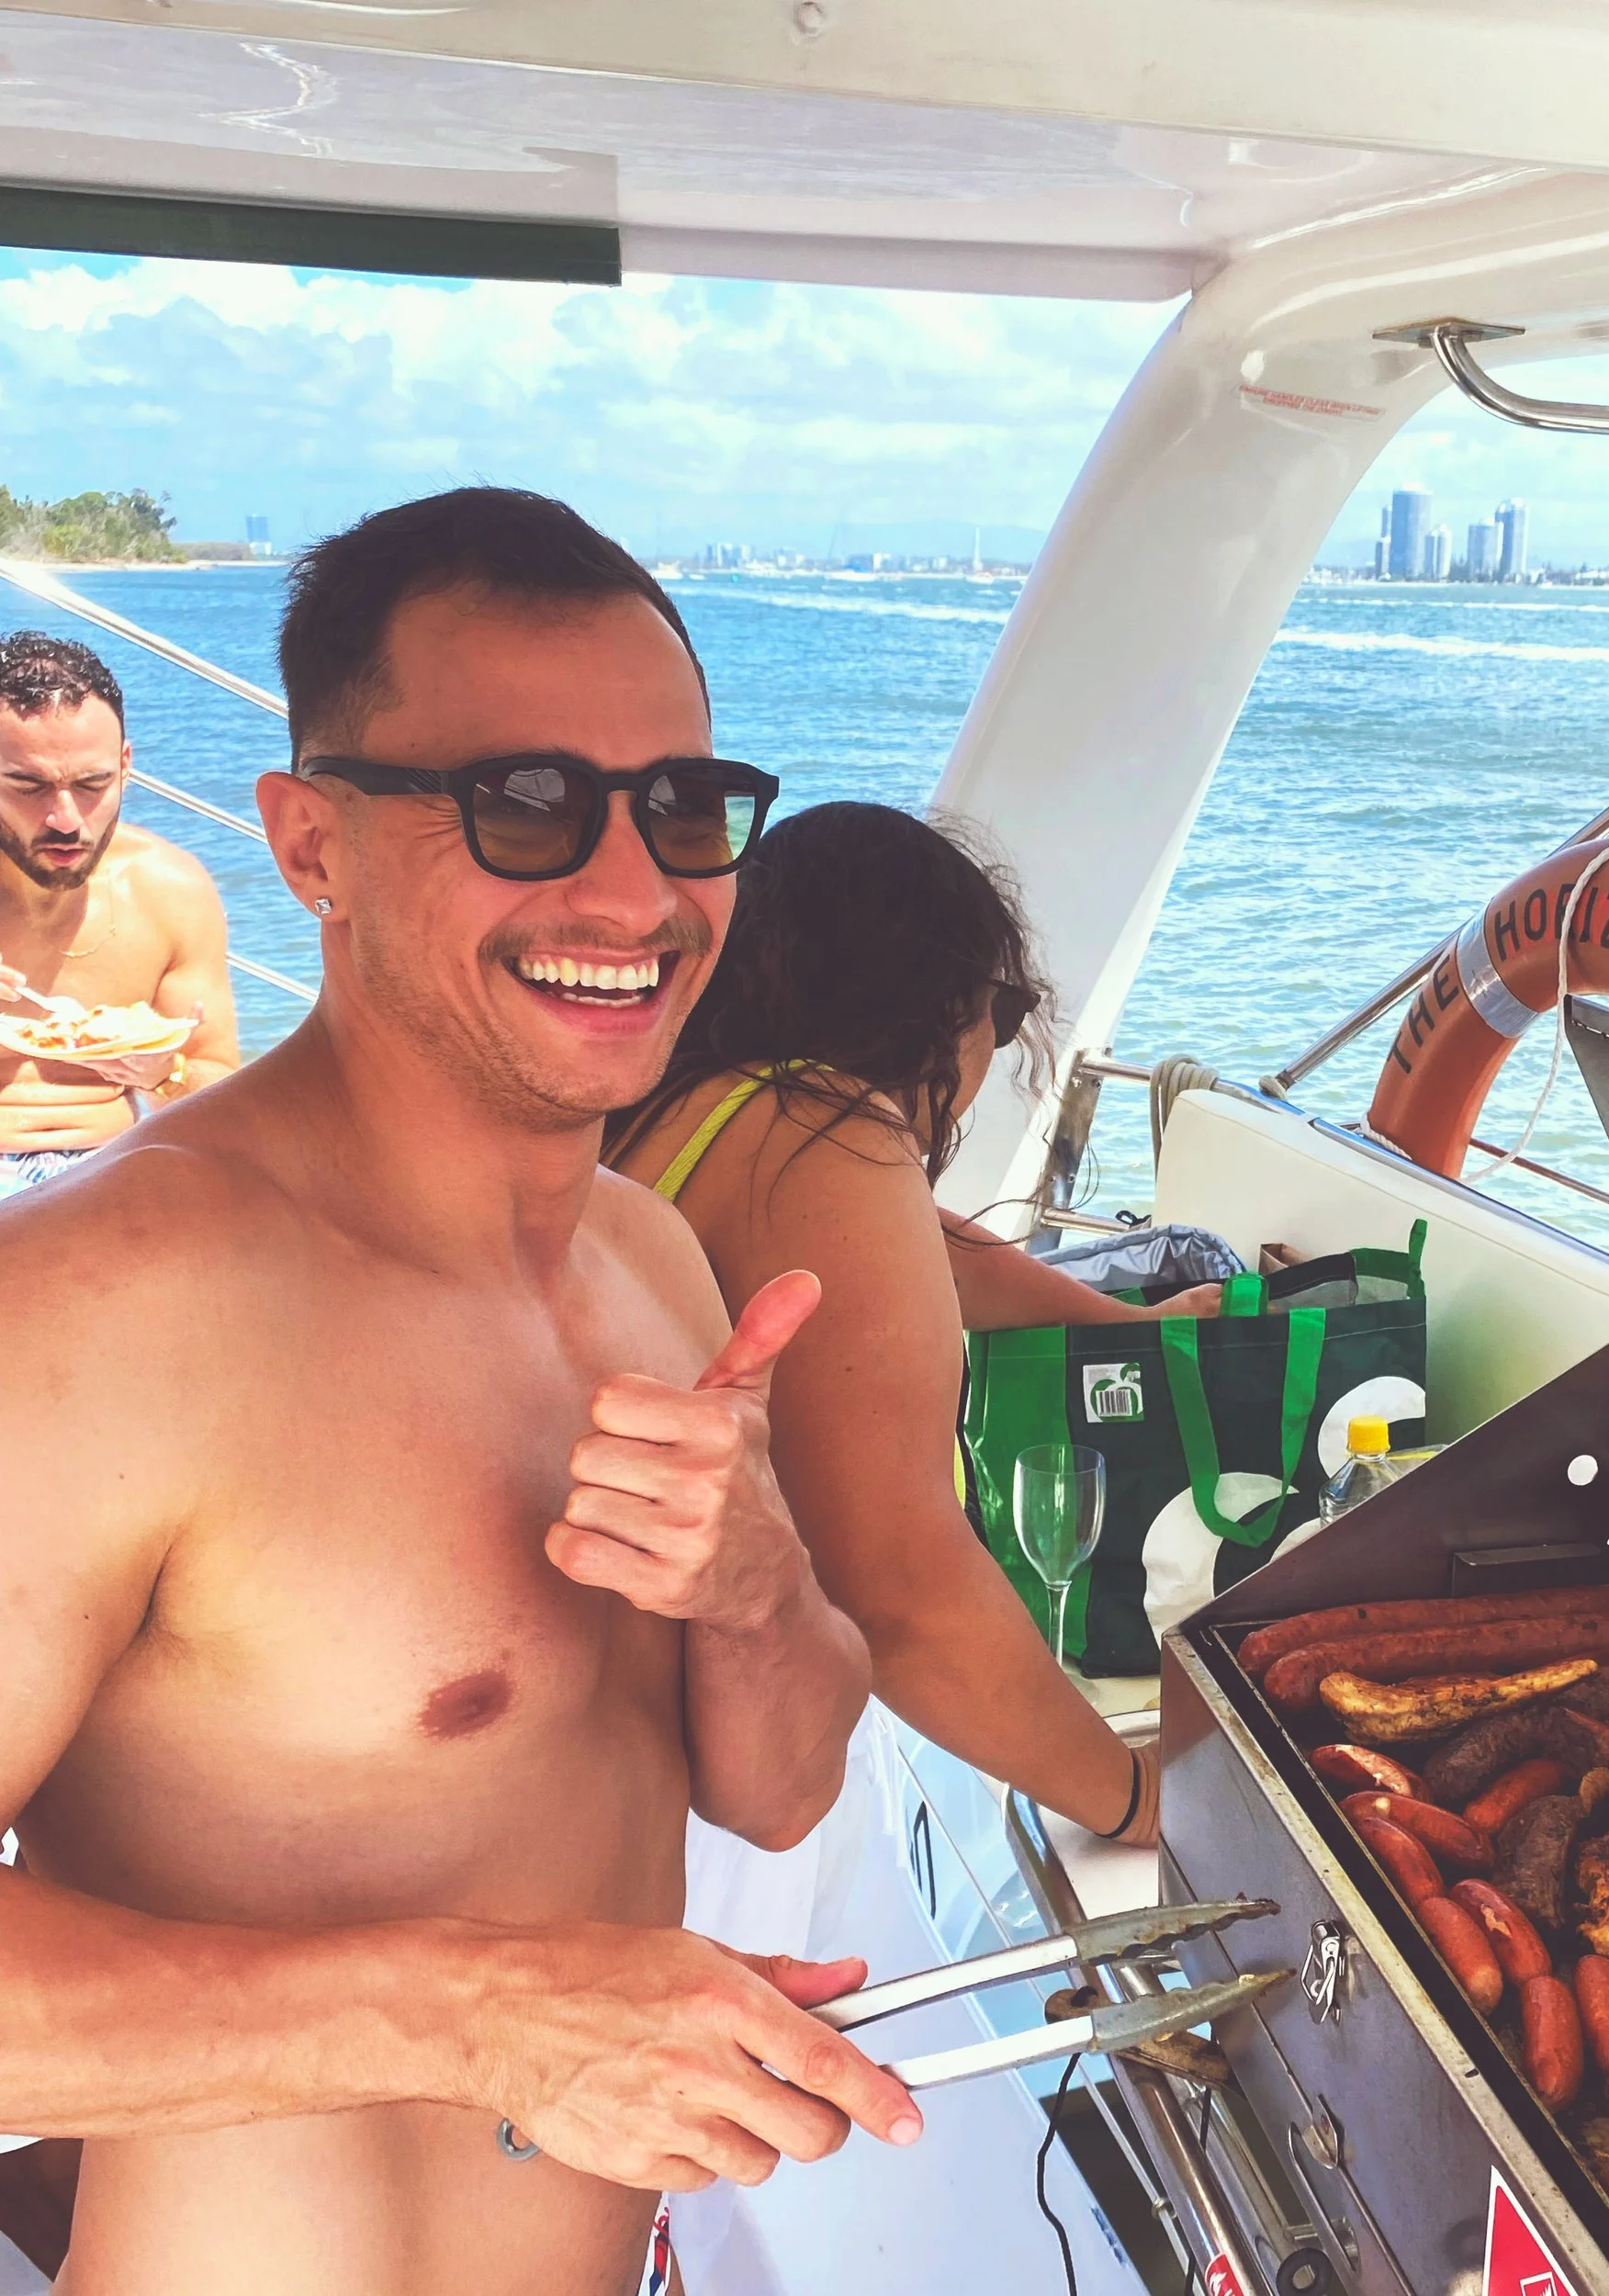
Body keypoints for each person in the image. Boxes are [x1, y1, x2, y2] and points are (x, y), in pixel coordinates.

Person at [0, 489, 919, 2296]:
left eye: (684, 809)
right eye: (524, 804)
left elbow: (784, 1784)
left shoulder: (651, 1261)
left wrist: (750, 1585)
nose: (633, 890)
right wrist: (472, 2009)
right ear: (310, 844)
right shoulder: (111, 1305)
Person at [609, 801, 1219, 1849]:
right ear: (944, 1003)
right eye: (1008, 1007)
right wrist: (1132, 1796)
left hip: (616, 1727)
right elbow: (896, 1587)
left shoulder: (700, 1108)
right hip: (699, 1783)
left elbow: (926, 1254)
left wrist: (1131, 1321)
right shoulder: (826, 1135)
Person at [0, 631, 238, 1194]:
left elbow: (217, 1077)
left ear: (126, 766)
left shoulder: (168, 891)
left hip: (111, 1173)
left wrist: (166, 1074)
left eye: (92, 784)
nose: (65, 819)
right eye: (28, 785)